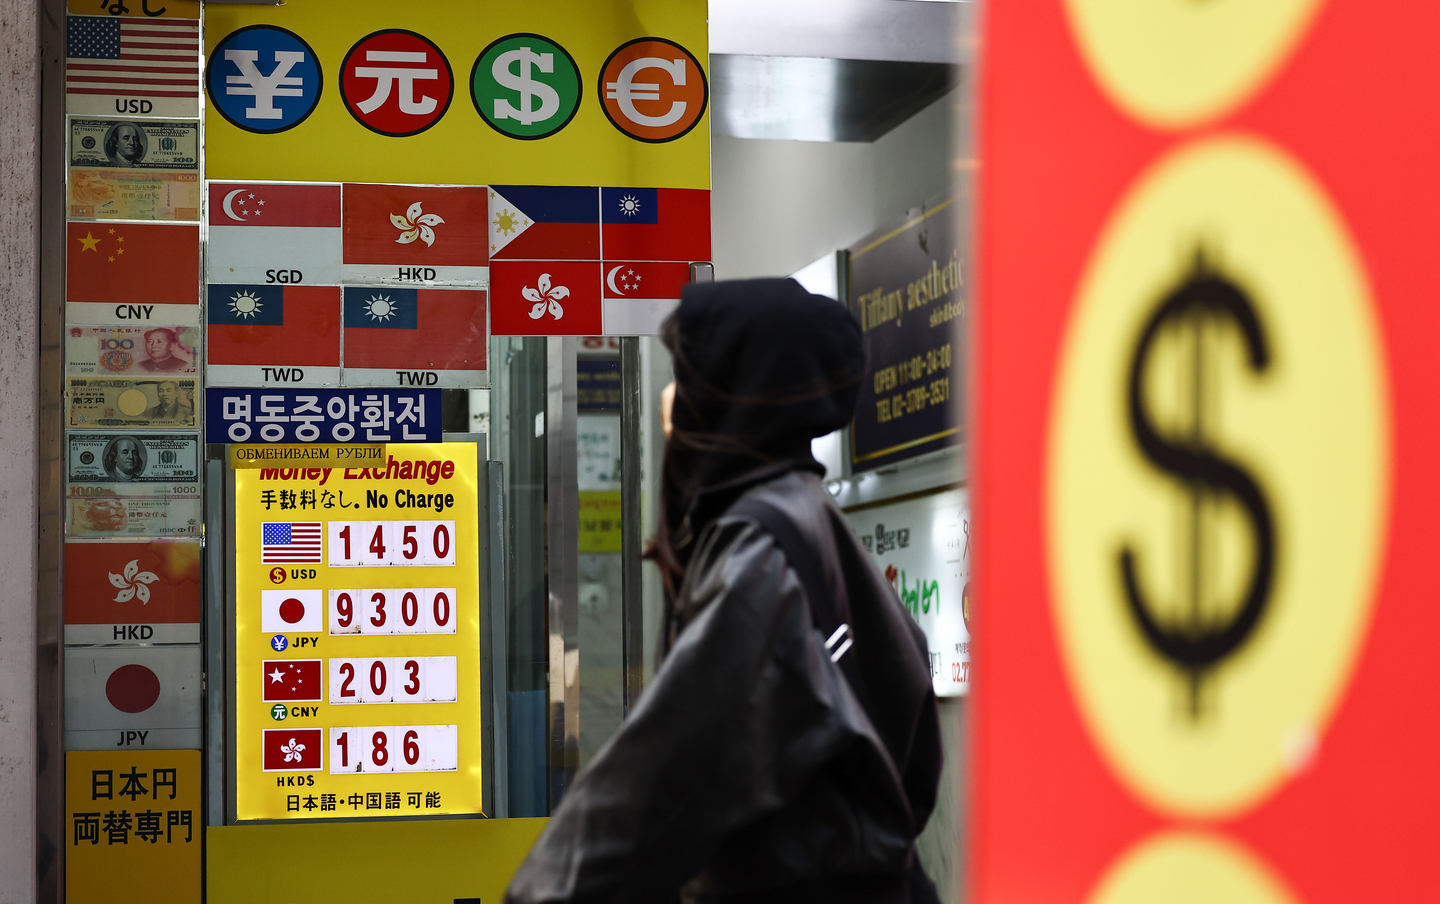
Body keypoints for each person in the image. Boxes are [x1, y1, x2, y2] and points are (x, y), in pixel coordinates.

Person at [506, 278, 943, 904]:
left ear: (735, 396)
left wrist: (545, 890)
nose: (666, 396)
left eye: (686, 373)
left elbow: (667, 773)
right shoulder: (803, 515)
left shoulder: (759, 549)